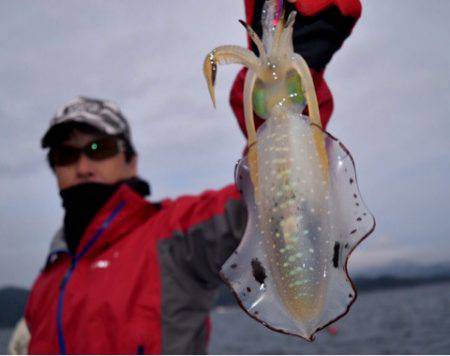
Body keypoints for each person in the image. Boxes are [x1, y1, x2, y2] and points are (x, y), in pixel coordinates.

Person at [9, 0, 361, 354]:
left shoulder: (174, 236)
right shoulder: (46, 283)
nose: (83, 165)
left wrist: (280, 91)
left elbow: (267, 201)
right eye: (66, 154)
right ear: (54, 168)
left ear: (131, 161)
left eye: (100, 149)